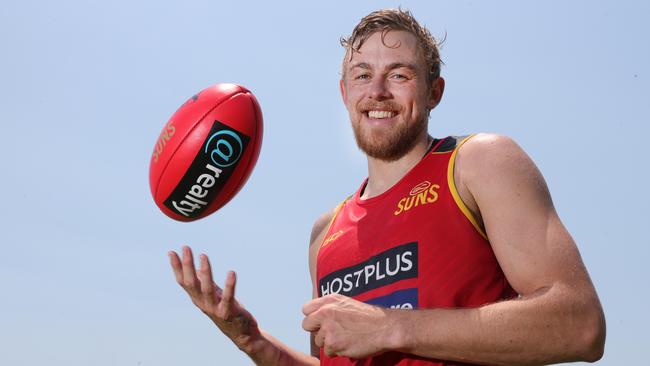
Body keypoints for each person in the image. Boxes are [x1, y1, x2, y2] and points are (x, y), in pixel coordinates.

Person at [168, 8, 606, 366]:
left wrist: (389, 325)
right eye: (362, 75)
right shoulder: (325, 233)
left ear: (434, 91)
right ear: (344, 93)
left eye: (399, 75)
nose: (377, 91)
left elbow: (580, 325)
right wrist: (253, 341)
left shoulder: (478, 163)